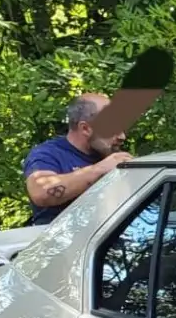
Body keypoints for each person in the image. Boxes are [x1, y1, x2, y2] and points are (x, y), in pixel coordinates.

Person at [22, 93, 132, 226]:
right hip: (61, 244)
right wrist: (100, 169)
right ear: (85, 128)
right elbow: (41, 193)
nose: (122, 136)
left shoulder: (110, 155)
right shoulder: (48, 154)